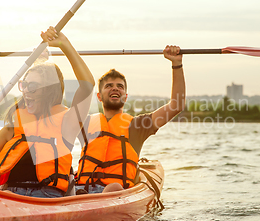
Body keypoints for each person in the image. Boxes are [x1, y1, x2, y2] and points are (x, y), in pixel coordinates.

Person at [0, 26, 94, 198]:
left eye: (32, 87)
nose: (26, 92)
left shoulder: (66, 124)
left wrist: (64, 45)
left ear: (49, 91)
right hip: (7, 197)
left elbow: (87, 85)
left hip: (45, 199)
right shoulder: (11, 131)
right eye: (24, 85)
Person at [74, 45, 185, 194]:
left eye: (120, 86)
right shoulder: (85, 124)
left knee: (114, 187)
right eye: (109, 86)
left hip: (113, 192)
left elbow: (176, 105)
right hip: (79, 190)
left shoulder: (138, 125)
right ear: (99, 96)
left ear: (125, 97)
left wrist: (176, 64)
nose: (115, 88)